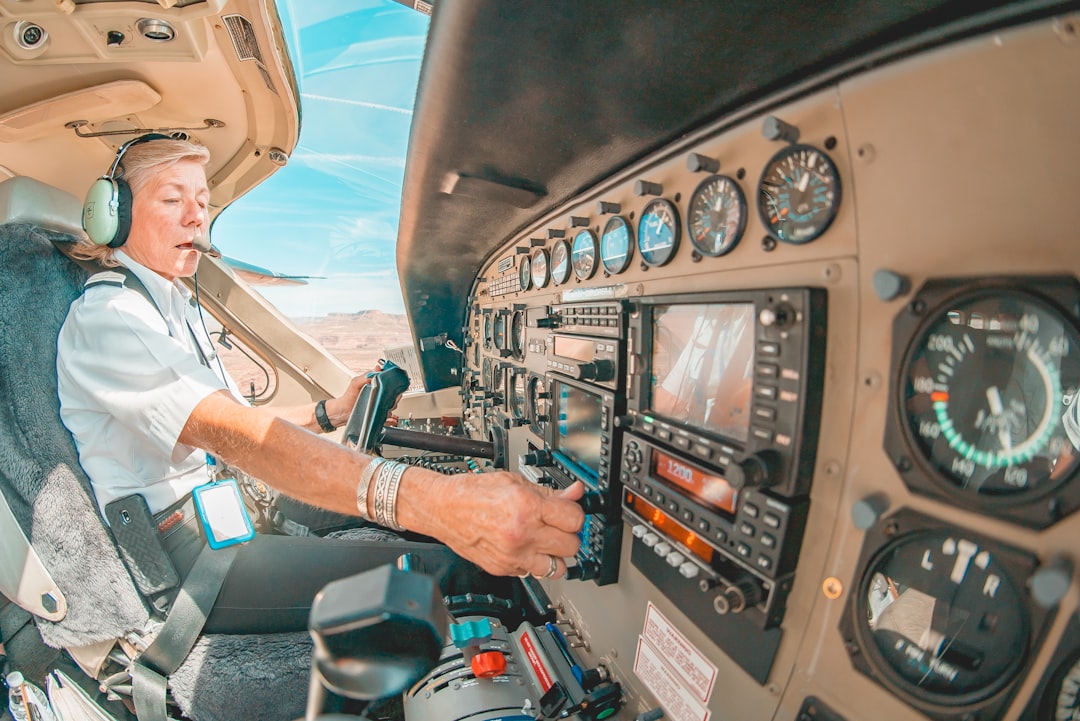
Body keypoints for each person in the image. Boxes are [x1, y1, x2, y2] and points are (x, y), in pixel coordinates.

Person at [56, 135, 584, 632]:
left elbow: (243, 425)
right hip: (183, 553)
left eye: (202, 200)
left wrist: (331, 412)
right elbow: (233, 435)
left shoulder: (170, 303)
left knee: (414, 525)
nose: (197, 216)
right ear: (115, 215)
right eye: (173, 199)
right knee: (446, 570)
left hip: (221, 508)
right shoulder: (114, 316)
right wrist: (440, 502)